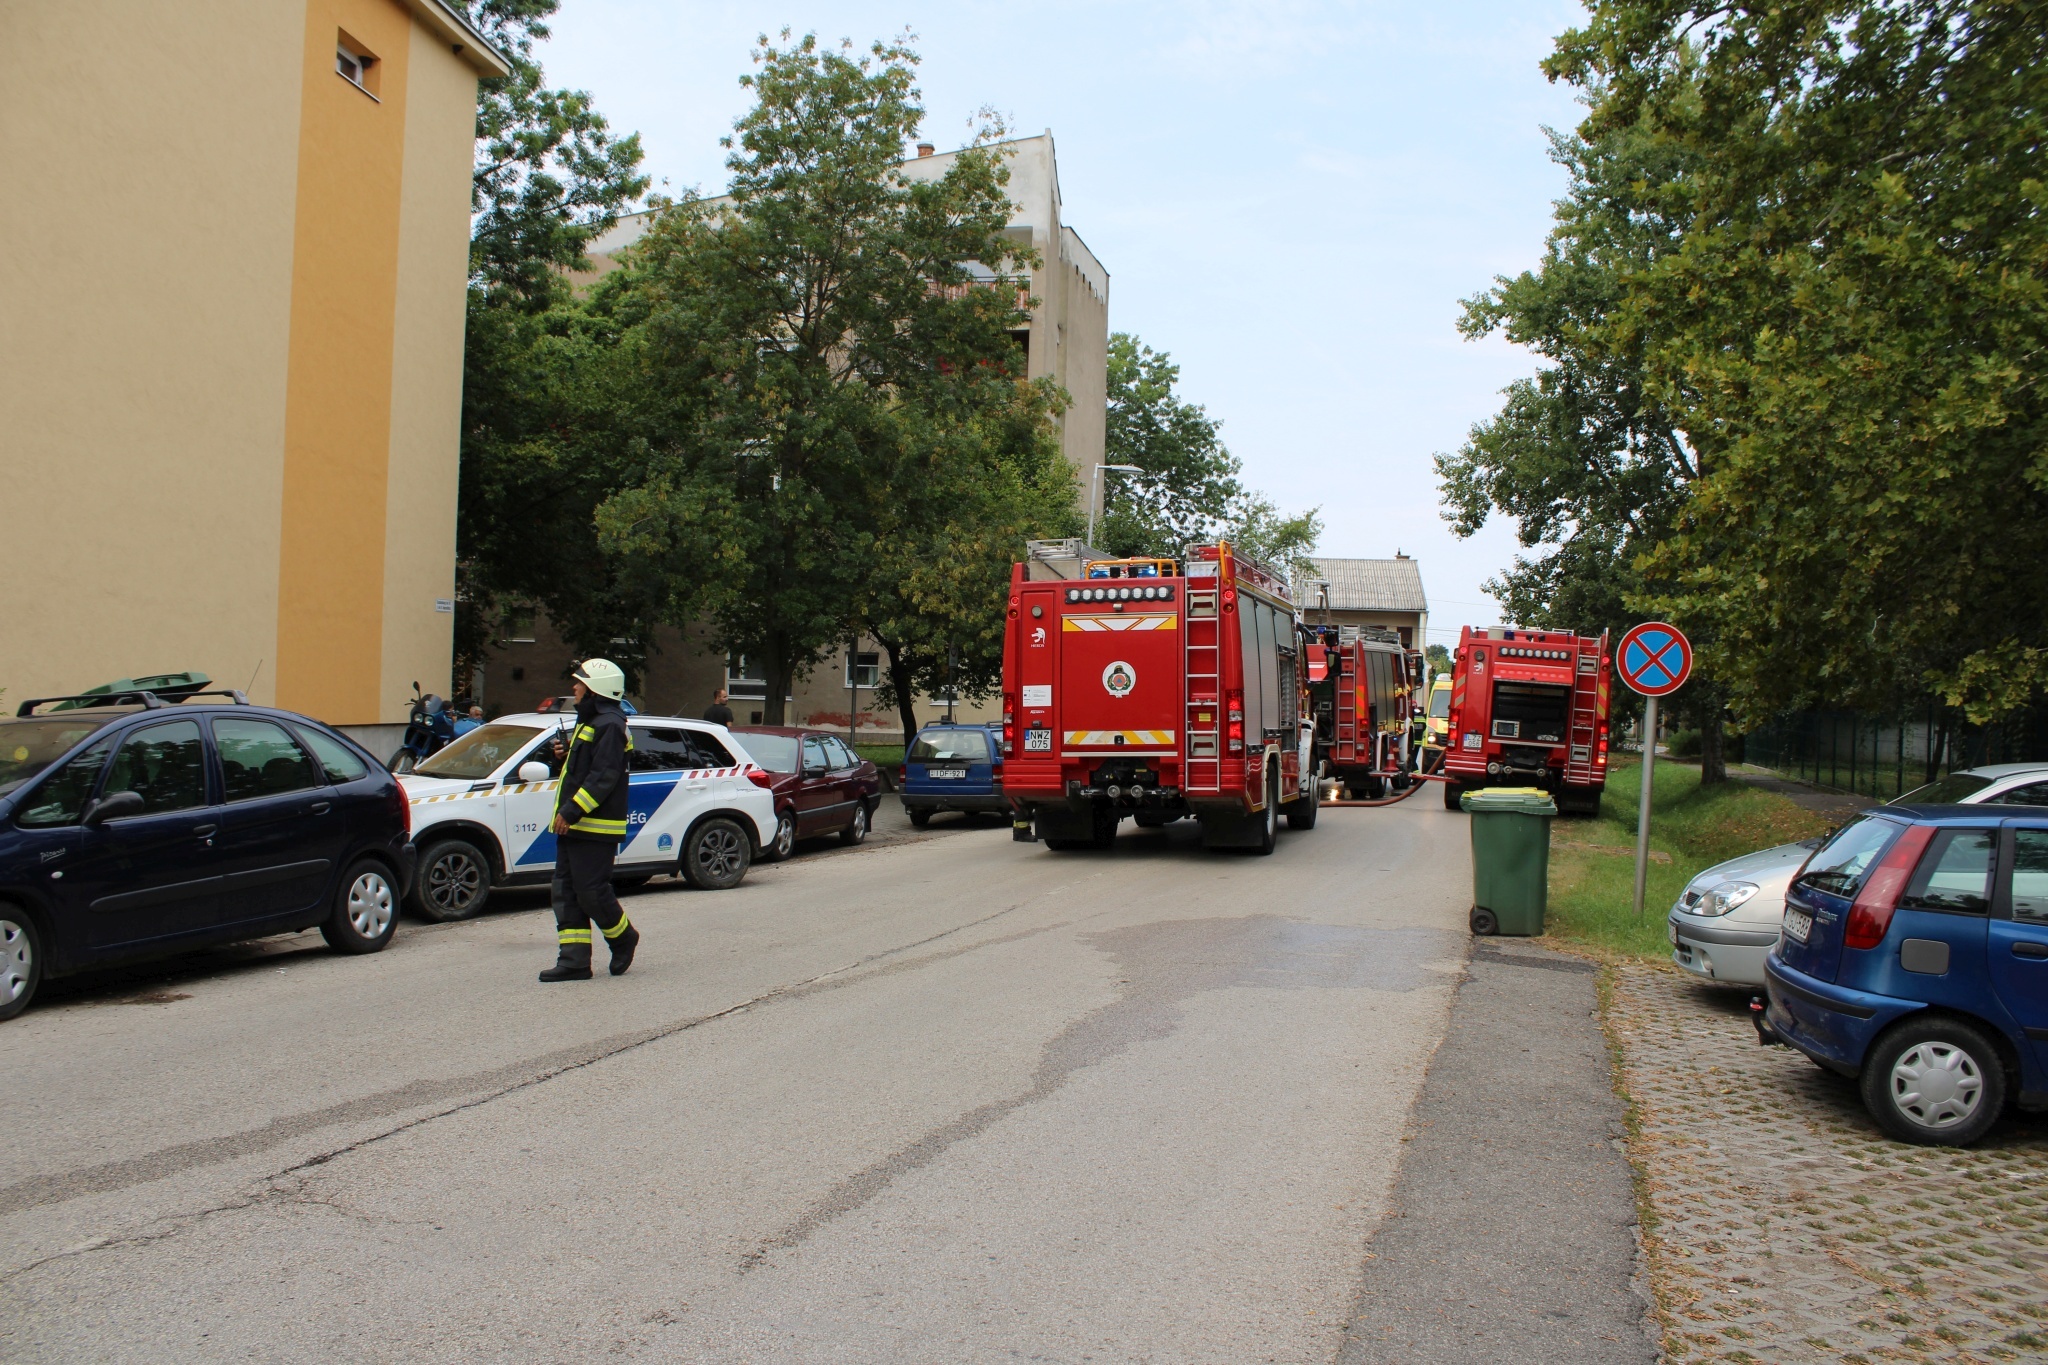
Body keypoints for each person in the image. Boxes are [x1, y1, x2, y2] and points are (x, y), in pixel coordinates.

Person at [538, 658, 641, 983]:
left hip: (594, 826)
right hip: (575, 825)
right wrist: (565, 756)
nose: (574, 688)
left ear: (595, 689)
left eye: (580, 683)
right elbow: (587, 767)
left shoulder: (609, 724)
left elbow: (604, 777)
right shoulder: (592, 721)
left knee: (591, 891)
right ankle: (574, 962)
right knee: (566, 891)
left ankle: (623, 938)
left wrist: (570, 811)